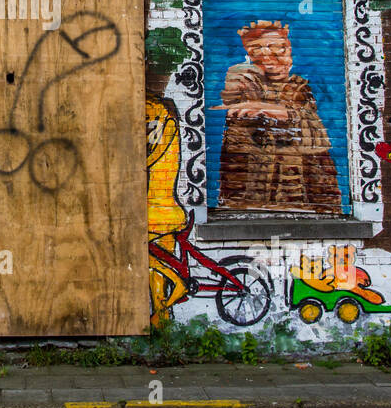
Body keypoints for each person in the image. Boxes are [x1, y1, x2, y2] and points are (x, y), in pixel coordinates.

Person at [211, 20, 341, 212]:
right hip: (248, 200)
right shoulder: (245, 85)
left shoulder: (299, 88)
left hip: (301, 198)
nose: (268, 56)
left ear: (289, 53)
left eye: (278, 48)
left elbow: (304, 119)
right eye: (257, 50)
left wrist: (263, 107)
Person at [146, 96, 189, 327]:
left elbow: (148, 158)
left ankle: (178, 282)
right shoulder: (164, 123)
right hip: (164, 210)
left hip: (160, 211)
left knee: (141, 255)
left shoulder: (165, 125)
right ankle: (161, 314)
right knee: (157, 270)